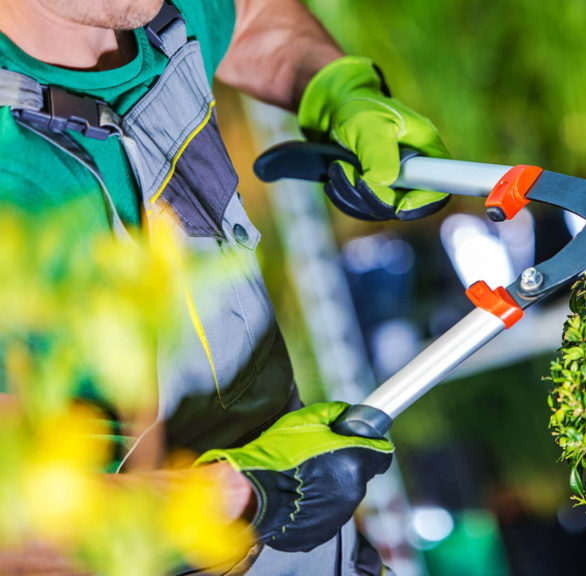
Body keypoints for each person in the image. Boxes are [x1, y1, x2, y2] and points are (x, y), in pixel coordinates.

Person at [0, 0, 450, 573]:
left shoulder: (142, 13)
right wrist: (244, 498)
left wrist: (339, 91)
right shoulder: (13, 175)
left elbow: (251, 13)